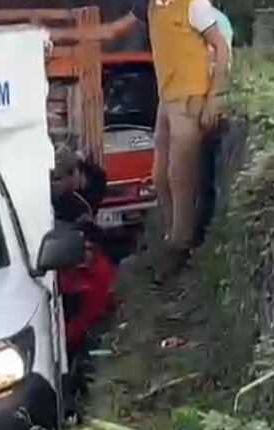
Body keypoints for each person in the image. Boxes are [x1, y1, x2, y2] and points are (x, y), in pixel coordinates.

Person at [52, 0, 231, 269]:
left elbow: (221, 47)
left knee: (181, 176)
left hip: (191, 97)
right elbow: (111, 31)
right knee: (160, 176)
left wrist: (215, 98)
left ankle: (180, 246)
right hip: (167, 100)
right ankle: (173, 237)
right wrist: (57, 35)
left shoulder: (192, 4)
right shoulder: (151, 7)